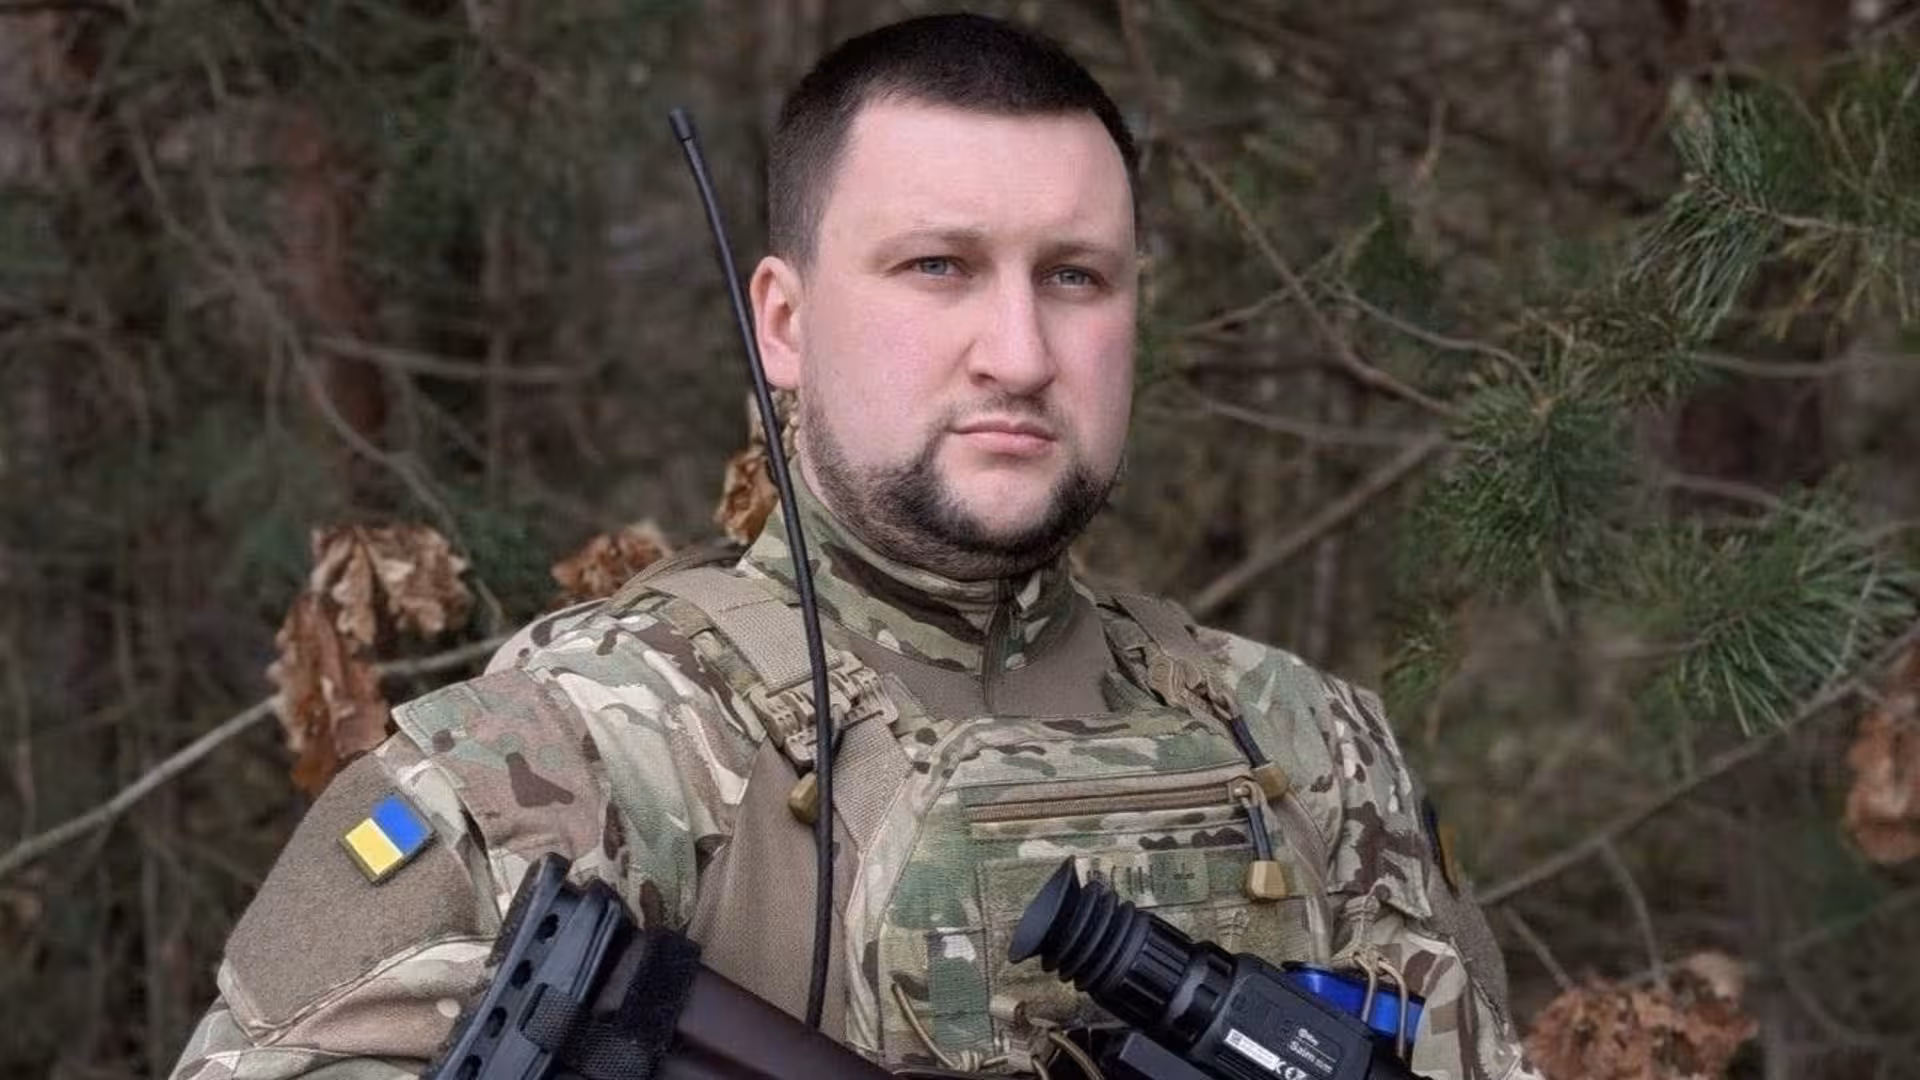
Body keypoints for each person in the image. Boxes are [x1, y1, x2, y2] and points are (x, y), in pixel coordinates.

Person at [172, 14, 1540, 1080]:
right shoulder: (566, 761)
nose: (1020, 352)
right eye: (939, 266)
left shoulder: (1309, 747)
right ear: (783, 322)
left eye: (1075, 276)